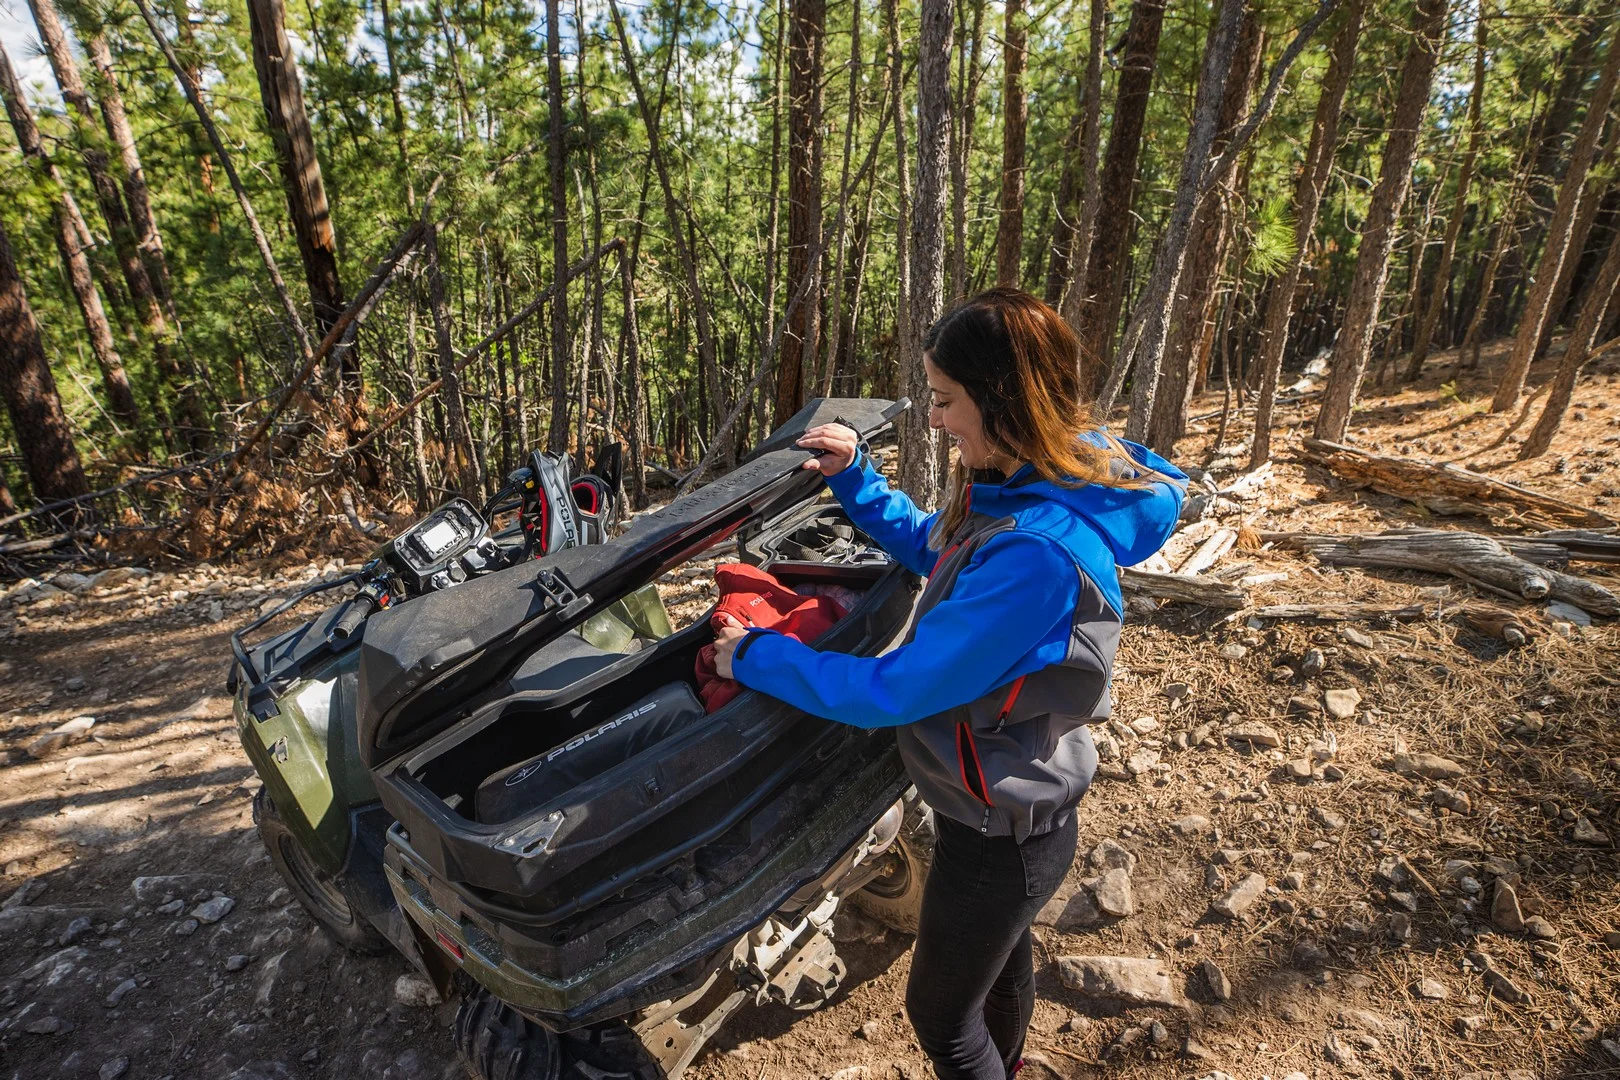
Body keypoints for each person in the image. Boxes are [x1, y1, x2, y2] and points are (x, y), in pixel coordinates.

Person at [713, 288, 1186, 1080]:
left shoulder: (1035, 556)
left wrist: (755, 656)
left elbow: (891, 693)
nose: (934, 420)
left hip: (997, 836)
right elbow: (945, 552)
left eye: (944, 399)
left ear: (1002, 399)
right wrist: (856, 479)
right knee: (1000, 968)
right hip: (1017, 809)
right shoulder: (1026, 482)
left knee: (940, 1016)